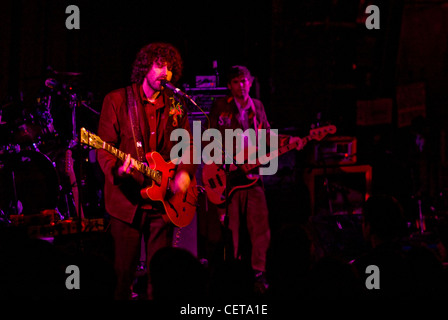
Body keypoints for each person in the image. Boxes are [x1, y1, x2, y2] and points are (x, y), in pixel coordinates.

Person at [97, 42, 196, 300]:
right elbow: (104, 149)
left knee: (162, 280)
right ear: (144, 67)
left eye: (170, 68)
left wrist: (184, 173)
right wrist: (118, 171)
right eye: (159, 65)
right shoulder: (117, 100)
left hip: (162, 205)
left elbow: (186, 147)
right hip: (126, 204)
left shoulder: (177, 106)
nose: (166, 73)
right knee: (122, 277)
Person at [208, 65, 303, 294]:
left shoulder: (257, 107)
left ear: (250, 82)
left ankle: (259, 274)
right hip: (229, 177)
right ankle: (233, 274)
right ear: (230, 86)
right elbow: (208, 138)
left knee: (261, 228)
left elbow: (266, 135)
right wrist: (219, 161)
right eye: (236, 82)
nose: (241, 86)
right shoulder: (221, 107)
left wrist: (291, 140)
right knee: (233, 230)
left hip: (253, 176)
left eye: (244, 81)